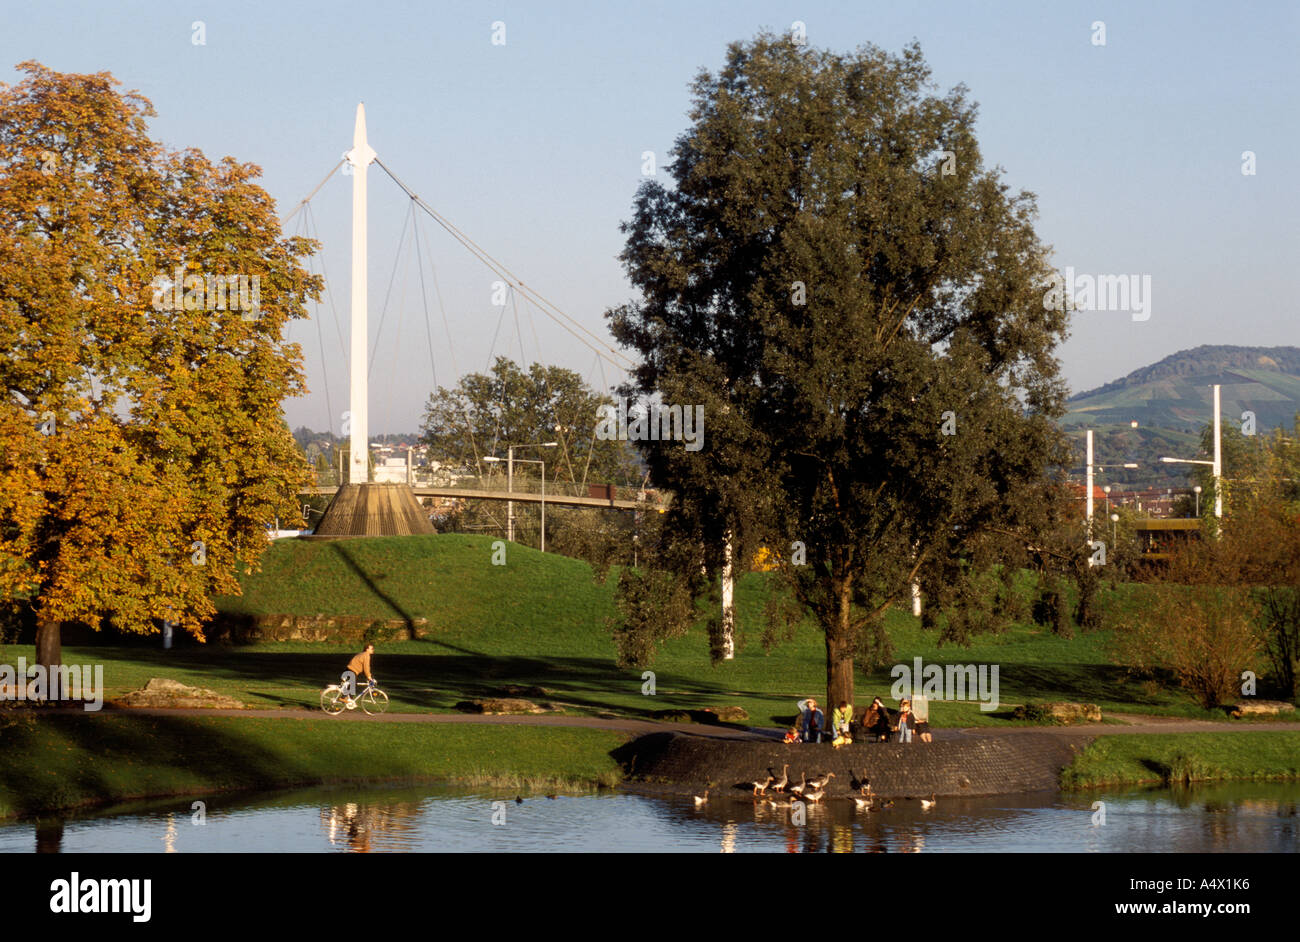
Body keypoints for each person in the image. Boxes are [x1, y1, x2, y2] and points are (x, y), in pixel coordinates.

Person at [343, 642, 375, 707]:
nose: (373, 650)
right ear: (367, 649)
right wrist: (369, 677)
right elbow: (366, 667)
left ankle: (349, 700)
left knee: (352, 685)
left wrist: (369, 675)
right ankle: (343, 698)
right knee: (353, 686)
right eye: (371, 649)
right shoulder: (366, 655)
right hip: (352, 670)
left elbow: (365, 668)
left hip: (349, 669)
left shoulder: (362, 654)